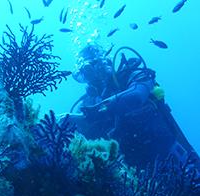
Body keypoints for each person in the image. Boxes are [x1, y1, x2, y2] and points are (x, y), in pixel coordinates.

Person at [68, 44, 200, 169]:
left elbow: (136, 96)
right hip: (135, 176)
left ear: (103, 62)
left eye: (90, 70)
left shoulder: (134, 74)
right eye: (84, 75)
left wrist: (91, 115)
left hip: (176, 161)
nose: (91, 78)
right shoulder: (88, 103)